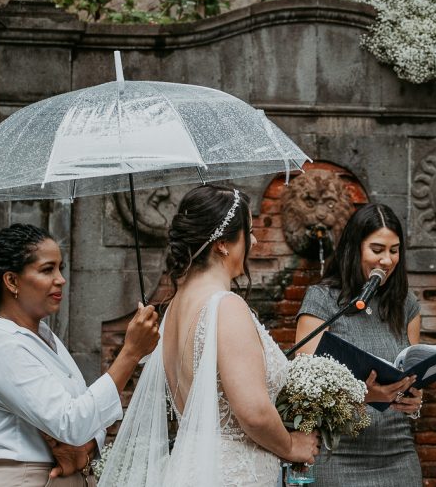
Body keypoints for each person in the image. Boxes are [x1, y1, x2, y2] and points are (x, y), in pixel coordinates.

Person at [99, 184, 318, 486]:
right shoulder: (226, 306)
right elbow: (253, 412)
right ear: (223, 244)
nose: (253, 240)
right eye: (248, 231)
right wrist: (291, 445)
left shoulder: (173, 308)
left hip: (189, 467)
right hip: (233, 474)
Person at [0, 223, 160, 486]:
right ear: (11, 281)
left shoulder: (45, 337)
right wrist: (131, 353)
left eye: (60, 268)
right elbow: (72, 423)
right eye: (47, 269)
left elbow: (87, 417)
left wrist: (83, 449)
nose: (61, 279)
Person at [293, 203, 424, 486]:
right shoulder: (322, 300)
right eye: (377, 250)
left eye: (394, 250)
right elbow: (301, 392)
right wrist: (365, 396)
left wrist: (414, 400)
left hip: (399, 456)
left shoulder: (406, 305)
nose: (387, 261)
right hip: (338, 457)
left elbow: (412, 372)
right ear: (354, 249)